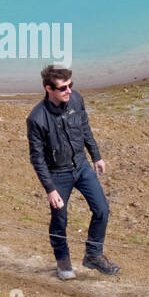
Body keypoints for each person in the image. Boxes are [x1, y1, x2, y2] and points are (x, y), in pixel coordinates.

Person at [26, 65, 117, 280]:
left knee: (102, 210)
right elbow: (37, 159)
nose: (69, 91)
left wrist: (96, 156)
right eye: (63, 88)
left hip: (82, 166)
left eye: (71, 85)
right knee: (60, 219)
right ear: (49, 89)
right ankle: (63, 261)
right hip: (58, 174)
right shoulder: (37, 119)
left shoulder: (76, 100)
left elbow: (85, 128)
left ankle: (93, 255)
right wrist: (50, 189)